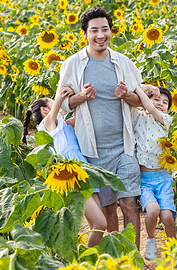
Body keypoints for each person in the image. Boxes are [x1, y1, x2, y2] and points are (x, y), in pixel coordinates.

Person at [56, 6, 159, 249]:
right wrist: (81, 96)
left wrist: (126, 96)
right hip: (91, 150)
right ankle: (115, 257)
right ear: (84, 33)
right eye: (94, 30)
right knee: (108, 208)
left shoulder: (123, 63)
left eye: (105, 29)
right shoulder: (72, 65)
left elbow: (140, 101)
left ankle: (132, 257)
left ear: (111, 31)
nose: (100, 35)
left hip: (123, 146)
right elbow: (63, 106)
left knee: (129, 204)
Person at [22, 87, 107, 248]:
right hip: (71, 175)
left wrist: (81, 95)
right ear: (44, 110)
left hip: (84, 172)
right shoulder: (47, 126)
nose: (58, 106)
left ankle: (93, 261)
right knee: (100, 224)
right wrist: (64, 92)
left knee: (97, 224)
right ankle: (85, 259)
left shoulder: (63, 125)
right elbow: (59, 101)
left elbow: (79, 116)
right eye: (52, 103)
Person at [131, 84, 176, 260]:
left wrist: (146, 94)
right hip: (143, 179)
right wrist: (144, 88)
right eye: (156, 99)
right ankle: (151, 242)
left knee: (167, 217)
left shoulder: (166, 120)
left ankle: (175, 250)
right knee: (152, 210)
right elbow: (132, 96)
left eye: (165, 102)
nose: (160, 103)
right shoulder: (138, 117)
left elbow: (149, 107)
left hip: (163, 178)